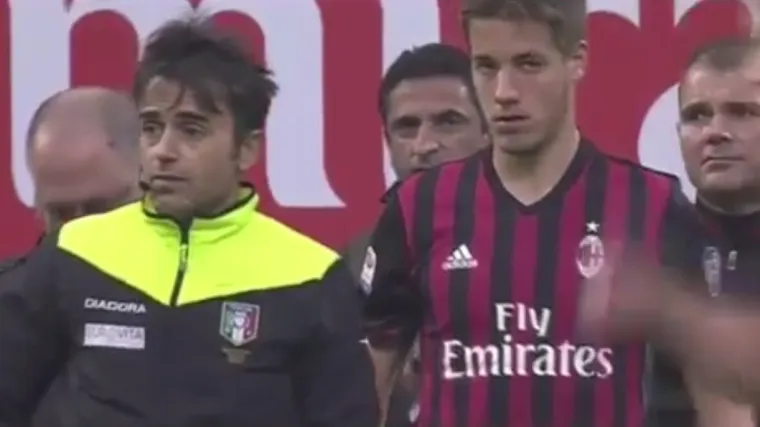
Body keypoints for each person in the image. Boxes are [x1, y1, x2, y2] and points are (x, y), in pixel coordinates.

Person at [0, 17, 378, 427]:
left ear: (246, 149)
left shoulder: (311, 276)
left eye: (191, 130)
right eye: (151, 128)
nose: (163, 150)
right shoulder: (73, 252)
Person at [361, 0, 705, 426]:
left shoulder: (652, 204)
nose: (504, 91)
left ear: (576, 60)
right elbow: (366, 386)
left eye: (528, 64)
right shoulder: (418, 207)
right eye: (486, 66)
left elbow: (717, 395)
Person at [577, 37, 760, 415]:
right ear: (678, 134)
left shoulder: (649, 287)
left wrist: (670, 312)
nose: (714, 132)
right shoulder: (650, 242)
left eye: (742, 112)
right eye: (697, 116)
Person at [345, 42, 489, 427]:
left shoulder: (541, 244)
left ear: (489, 131)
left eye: (448, 122)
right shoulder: (353, 263)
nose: (424, 146)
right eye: (407, 127)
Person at [0, 87, 141, 273]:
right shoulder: (14, 289)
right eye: (62, 215)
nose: (80, 234)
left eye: (100, 210)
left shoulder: (180, 286)